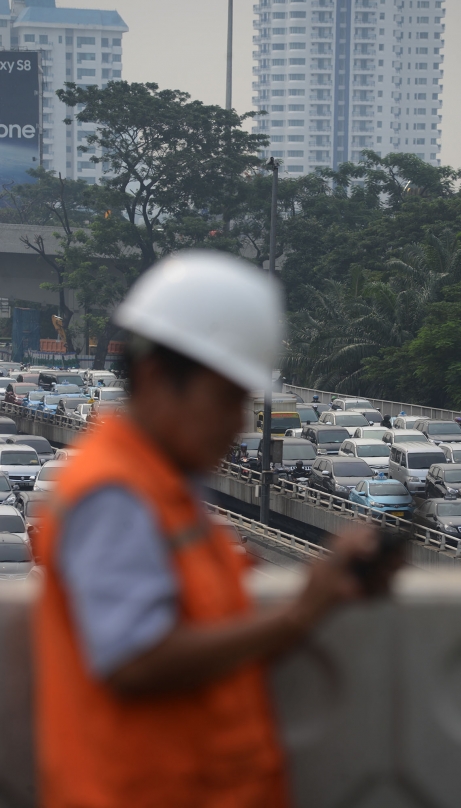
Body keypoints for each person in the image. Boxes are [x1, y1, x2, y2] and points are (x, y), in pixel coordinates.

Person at [35, 251, 398, 808]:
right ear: (157, 377)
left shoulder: (162, 488)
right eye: (227, 399)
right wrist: (303, 611)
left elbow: (211, 636)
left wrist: (326, 586)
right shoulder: (113, 492)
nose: (240, 425)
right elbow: (137, 660)